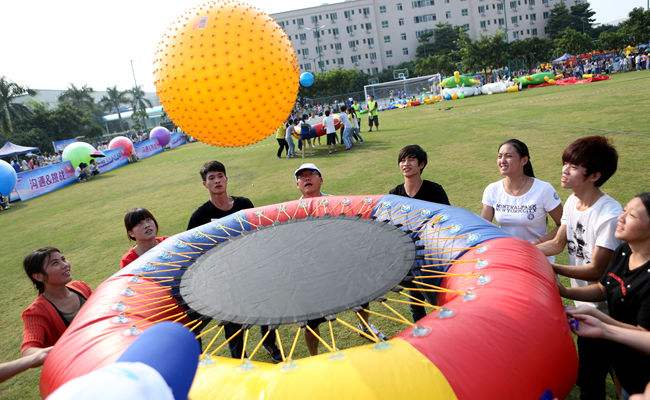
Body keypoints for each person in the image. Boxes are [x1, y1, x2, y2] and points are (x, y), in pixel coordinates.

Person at [536, 136, 622, 399]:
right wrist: (524, 253)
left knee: (594, 376)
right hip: (584, 303)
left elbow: (596, 269)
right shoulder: (572, 201)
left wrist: (556, 272)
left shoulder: (609, 214)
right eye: (565, 163)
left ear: (594, 175)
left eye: (573, 166)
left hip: (607, 308)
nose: (564, 170)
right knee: (600, 368)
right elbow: (558, 243)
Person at [187, 161, 281, 362]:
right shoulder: (200, 216)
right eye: (211, 178)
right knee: (233, 322)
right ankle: (239, 359)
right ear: (205, 184)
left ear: (226, 179)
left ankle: (270, 344)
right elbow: (192, 250)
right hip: (224, 279)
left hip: (251, 270)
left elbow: (258, 233)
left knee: (267, 310)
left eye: (220, 176)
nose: (217, 181)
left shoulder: (244, 204)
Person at [560, 193, 650, 398]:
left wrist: (603, 324)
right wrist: (565, 292)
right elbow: (603, 288)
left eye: (632, 216)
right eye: (624, 210)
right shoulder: (624, 251)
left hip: (642, 373)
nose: (621, 217)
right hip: (620, 357)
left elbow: (643, 334)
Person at [294, 163, 385, 354]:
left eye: (311, 174)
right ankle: (314, 355)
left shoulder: (336, 203)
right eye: (302, 177)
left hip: (342, 264)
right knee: (310, 320)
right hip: (312, 272)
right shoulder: (291, 210)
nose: (307, 178)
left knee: (361, 298)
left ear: (321, 179)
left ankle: (365, 326)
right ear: (297, 184)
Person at [388, 145, 450, 322]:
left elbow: (446, 219)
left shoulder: (434, 190)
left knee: (438, 301)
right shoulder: (395, 195)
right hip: (408, 258)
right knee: (416, 305)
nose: (405, 164)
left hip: (432, 256)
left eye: (411, 159)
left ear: (421, 164)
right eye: (402, 160)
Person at [481, 139, 563, 247]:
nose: (502, 161)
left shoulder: (544, 189)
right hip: (508, 254)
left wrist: (538, 244)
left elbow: (563, 225)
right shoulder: (492, 190)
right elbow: (483, 227)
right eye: (500, 156)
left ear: (524, 160)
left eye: (508, 156)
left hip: (537, 254)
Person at [21, 247, 92, 357]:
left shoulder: (80, 287)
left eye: (63, 259)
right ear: (38, 276)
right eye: (55, 263)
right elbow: (28, 351)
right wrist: (63, 349)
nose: (65, 265)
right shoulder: (35, 312)